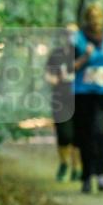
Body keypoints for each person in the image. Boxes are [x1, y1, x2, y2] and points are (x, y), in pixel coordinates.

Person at [72, 4, 103, 194]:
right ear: (86, 19)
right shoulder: (77, 38)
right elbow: (70, 67)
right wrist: (85, 56)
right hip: (82, 93)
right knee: (85, 135)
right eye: (91, 17)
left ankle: (101, 175)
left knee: (99, 132)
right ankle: (86, 177)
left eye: (98, 17)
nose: (95, 21)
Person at [45, 27, 79, 182]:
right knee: (64, 135)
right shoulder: (57, 54)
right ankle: (64, 164)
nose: (71, 36)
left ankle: (76, 168)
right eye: (68, 33)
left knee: (78, 136)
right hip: (60, 99)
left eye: (74, 33)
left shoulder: (81, 52)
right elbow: (48, 74)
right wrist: (53, 79)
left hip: (79, 98)